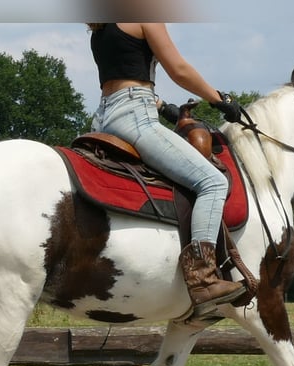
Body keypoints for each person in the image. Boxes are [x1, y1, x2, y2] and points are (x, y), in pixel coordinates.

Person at [88, 23, 245, 318]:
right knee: (212, 182)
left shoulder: (101, 24)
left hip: (105, 116)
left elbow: (125, 73)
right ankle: (203, 279)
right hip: (135, 115)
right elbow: (179, 70)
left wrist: (164, 108)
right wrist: (220, 100)